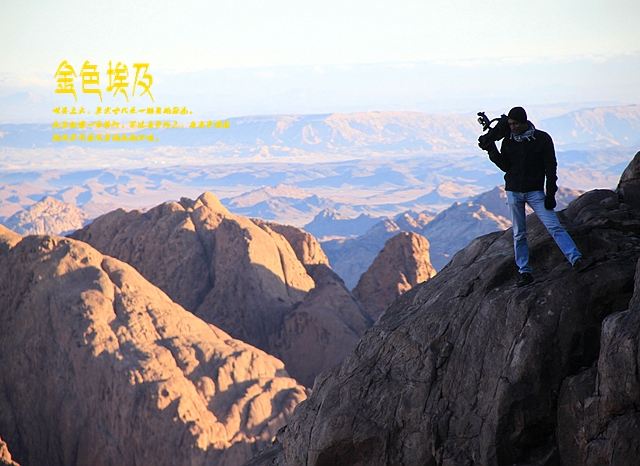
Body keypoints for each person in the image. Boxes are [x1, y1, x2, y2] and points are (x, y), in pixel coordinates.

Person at [479, 106, 589, 287]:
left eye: (515, 124)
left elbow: (550, 168)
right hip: (514, 192)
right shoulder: (508, 141)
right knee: (519, 234)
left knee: (554, 226)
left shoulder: (542, 139)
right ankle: (524, 272)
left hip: (535, 192)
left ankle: (576, 259)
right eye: (510, 124)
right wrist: (491, 150)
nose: (512, 127)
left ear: (524, 122)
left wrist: (551, 193)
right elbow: (505, 166)